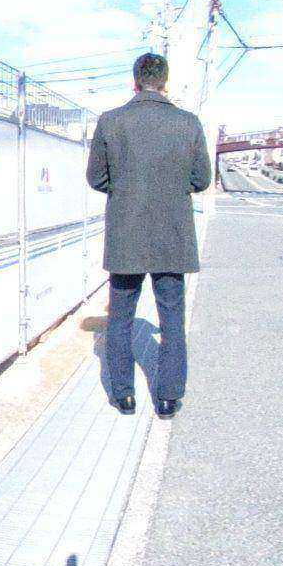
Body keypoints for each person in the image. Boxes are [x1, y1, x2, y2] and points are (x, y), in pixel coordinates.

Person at [84, 49, 212, 417]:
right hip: (172, 233)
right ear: (165, 83)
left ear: (135, 82)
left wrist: (126, 190)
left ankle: (123, 396)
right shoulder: (188, 123)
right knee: (172, 317)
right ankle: (168, 397)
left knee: (120, 316)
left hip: (126, 233)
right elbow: (201, 179)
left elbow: (96, 178)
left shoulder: (111, 122)